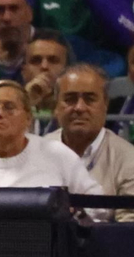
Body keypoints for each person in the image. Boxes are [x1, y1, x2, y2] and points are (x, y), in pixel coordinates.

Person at [0, 80, 100, 193]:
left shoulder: (57, 154)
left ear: (28, 118)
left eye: (9, 107)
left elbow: (97, 207)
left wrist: (73, 213)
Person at [46, 64, 134, 220]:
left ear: (105, 104)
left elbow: (128, 227)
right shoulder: (37, 151)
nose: (79, 108)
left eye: (89, 99)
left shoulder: (129, 159)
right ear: (56, 106)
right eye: (70, 99)